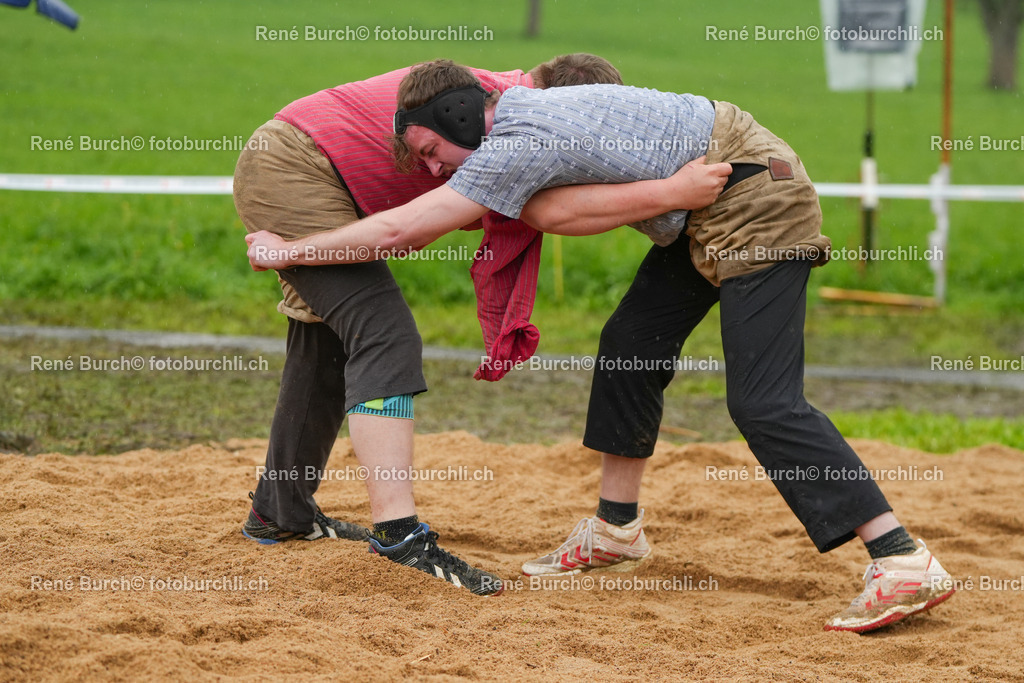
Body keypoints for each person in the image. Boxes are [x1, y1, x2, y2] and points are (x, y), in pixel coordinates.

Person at [245, 59, 957, 631]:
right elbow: (557, 212)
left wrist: (287, 252)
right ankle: (615, 530)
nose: (431, 169)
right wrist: (671, 186)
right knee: (629, 347)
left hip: (755, 199)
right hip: (707, 206)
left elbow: (405, 231)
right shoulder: (522, 130)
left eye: (432, 150)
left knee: (763, 400)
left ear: (460, 117)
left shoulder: (513, 141)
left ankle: (897, 554)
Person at [232, 55, 631, 597]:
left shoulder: (503, 110)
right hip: (297, 167)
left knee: (327, 342)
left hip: (306, 165)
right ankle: (399, 536)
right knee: (385, 336)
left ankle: (279, 511)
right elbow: (529, 212)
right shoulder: (502, 119)